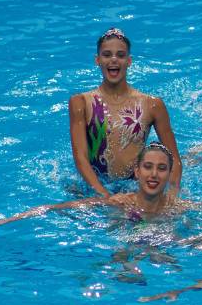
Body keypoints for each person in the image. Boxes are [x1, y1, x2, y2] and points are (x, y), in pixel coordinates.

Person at [69, 28, 182, 198]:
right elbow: (81, 158)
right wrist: (105, 196)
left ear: (129, 61)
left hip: (135, 188)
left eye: (120, 55)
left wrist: (171, 196)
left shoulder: (152, 105)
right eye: (107, 55)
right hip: (92, 187)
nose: (113, 60)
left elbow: (175, 160)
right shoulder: (81, 103)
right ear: (97, 60)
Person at [0, 143, 187, 229]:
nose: (153, 174)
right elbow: (54, 209)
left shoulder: (176, 207)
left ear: (169, 174)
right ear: (137, 172)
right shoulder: (120, 203)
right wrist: (6, 221)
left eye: (161, 168)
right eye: (147, 167)